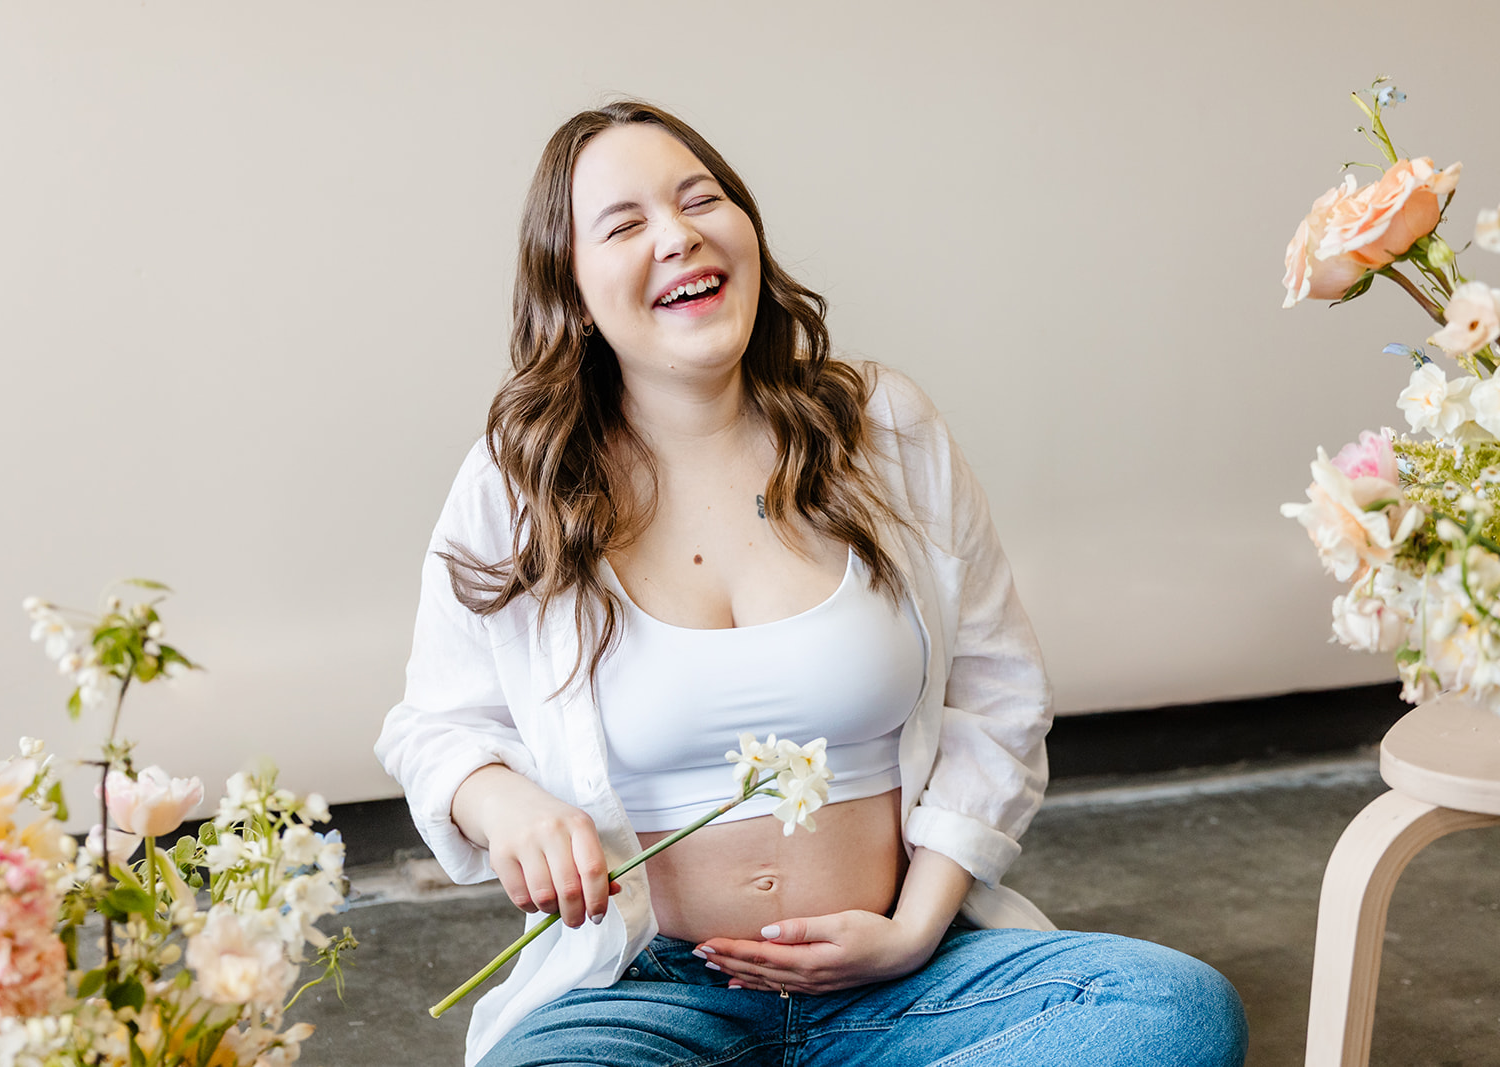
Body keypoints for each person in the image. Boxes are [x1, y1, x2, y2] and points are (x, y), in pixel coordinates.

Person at [376, 100, 1248, 1067]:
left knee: (1173, 1010)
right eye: (624, 225)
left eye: (701, 199)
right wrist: (504, 803)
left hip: (905, 982)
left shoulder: (884, 428)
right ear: (574, 292)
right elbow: (435, 729)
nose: (678, 235)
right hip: (647, 994)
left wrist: (915, 928)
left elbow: (1000, 693)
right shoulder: (519, 481)